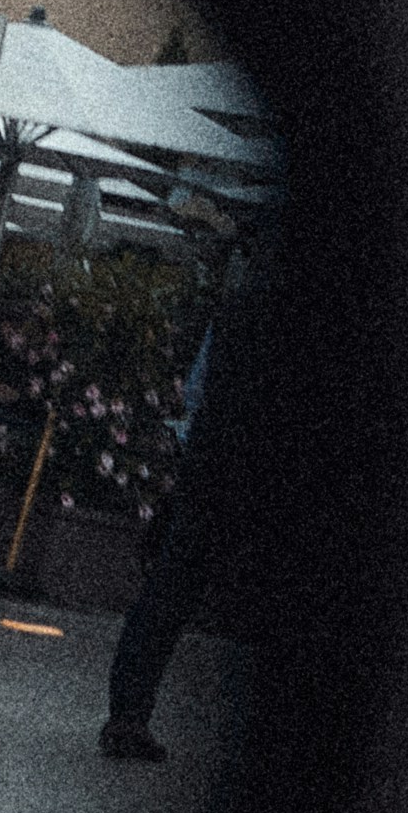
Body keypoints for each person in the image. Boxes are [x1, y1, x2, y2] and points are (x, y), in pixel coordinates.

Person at [103, 256, 259, 763]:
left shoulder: (233, 312)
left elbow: (194, 393)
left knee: (165, 598)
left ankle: (127, 714)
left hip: (209, 468)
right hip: (251, 475)